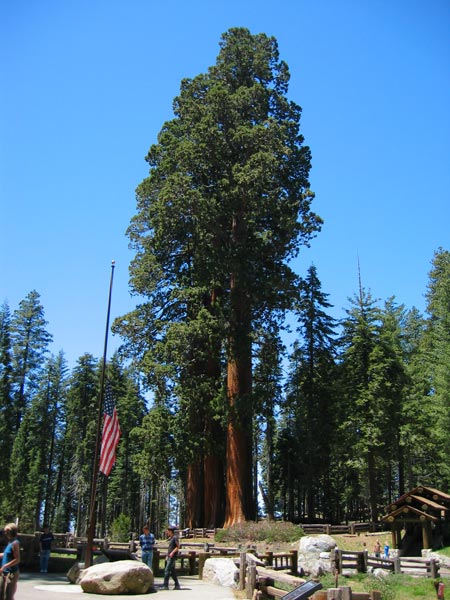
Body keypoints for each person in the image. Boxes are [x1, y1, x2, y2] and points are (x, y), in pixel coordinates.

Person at [0, 523, 20, 600]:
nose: (5, 533)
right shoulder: (10, 542)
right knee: (1, 593)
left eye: (6, 531)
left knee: (8, 596)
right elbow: (6, 554)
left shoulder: (15, 543)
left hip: (11, 573)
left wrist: (5, 566)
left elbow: (17, 559)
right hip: (4, 572)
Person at [163, 526, 180, 590]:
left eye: (168, 531)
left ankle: (165, 585)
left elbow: (178, 546)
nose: (167, 532)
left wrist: (172, 553)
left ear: (171, 531)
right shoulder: (171, 538)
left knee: (167, 570)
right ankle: (177, 585)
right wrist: (167, 555)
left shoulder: (175, 538)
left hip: (172, 557)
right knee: (172, 572)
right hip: (169, 556)